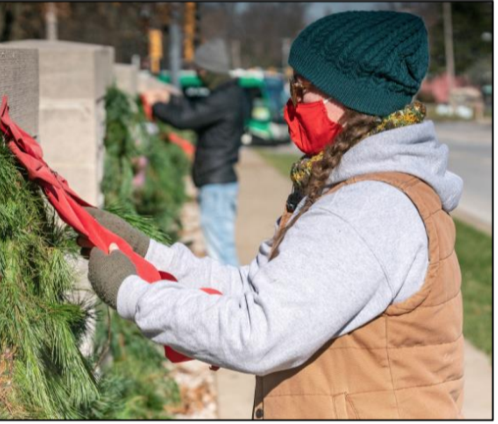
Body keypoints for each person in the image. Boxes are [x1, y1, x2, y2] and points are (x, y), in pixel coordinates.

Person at [81, 11, 464, 419]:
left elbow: (257, 333)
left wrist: (132, 295)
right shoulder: (352, 187)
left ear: (350, 98)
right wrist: (151, 255)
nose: (292, 102)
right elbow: (256, 286)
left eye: (303, 88)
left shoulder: (369, 209)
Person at [143, 38, 250, 266]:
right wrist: (171, 98)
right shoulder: (231, 93)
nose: (199, 75)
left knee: (221, 251)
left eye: (201, 70)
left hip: (216, 184)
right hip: (219, 182)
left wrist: (155, 106)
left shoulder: (224, 98)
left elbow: (187, 118)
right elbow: (200, 106)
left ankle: (235, 300)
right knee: (220, 247)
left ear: (211, 70)